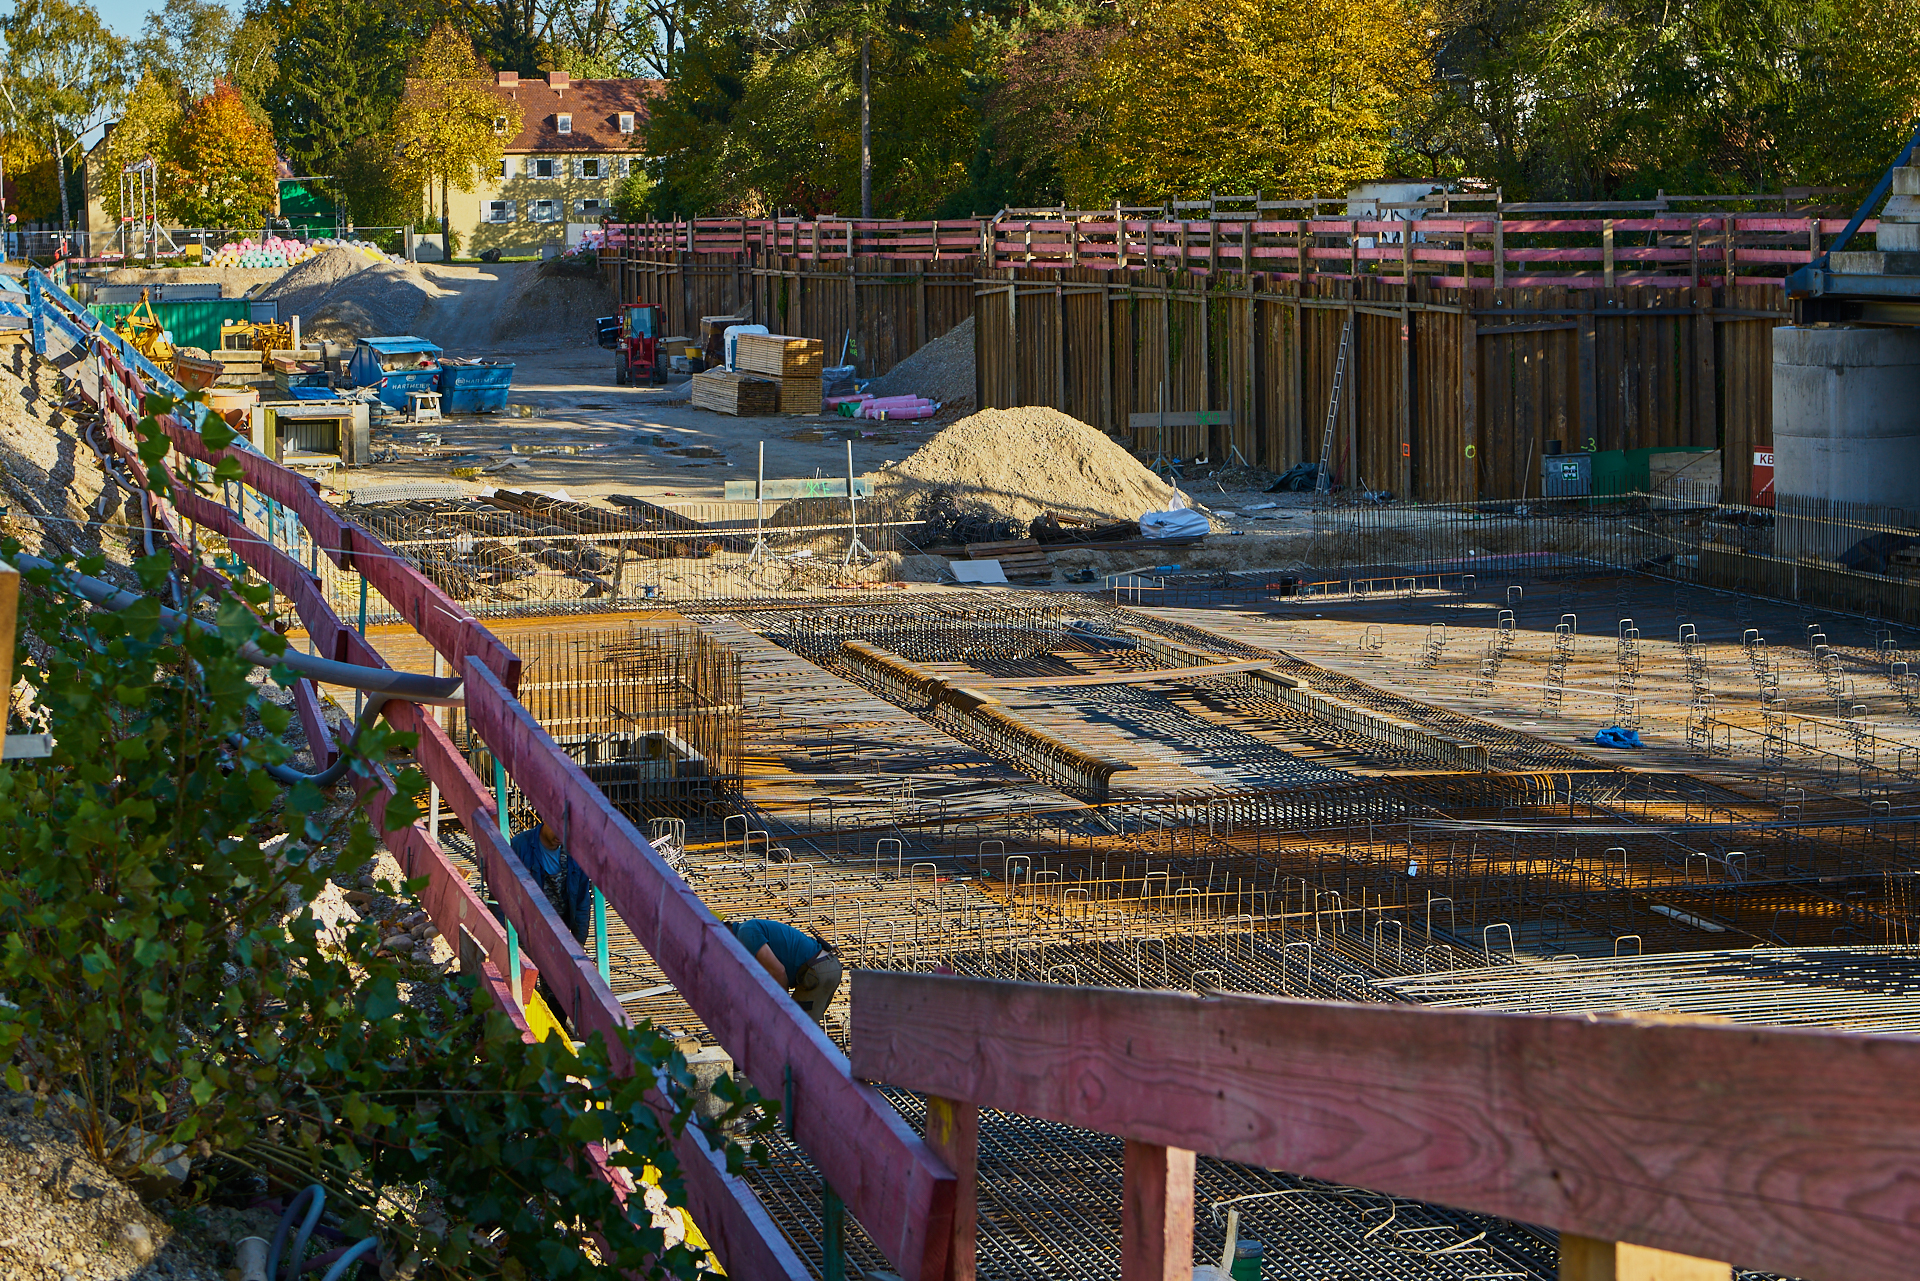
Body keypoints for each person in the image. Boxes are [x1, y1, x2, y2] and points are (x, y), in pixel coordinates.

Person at [726, 919, 840, 1027]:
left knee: (794, 1032)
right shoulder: (746, 933)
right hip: (825, 967)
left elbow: (778, 972)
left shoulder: (745, 933)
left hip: (817, 970)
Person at [506, 821, 592, 944]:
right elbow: (502, 895)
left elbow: (581, 901)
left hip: (559, 934)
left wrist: (579, 944)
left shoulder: (575, 852)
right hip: (525, 934)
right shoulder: (520, 845)